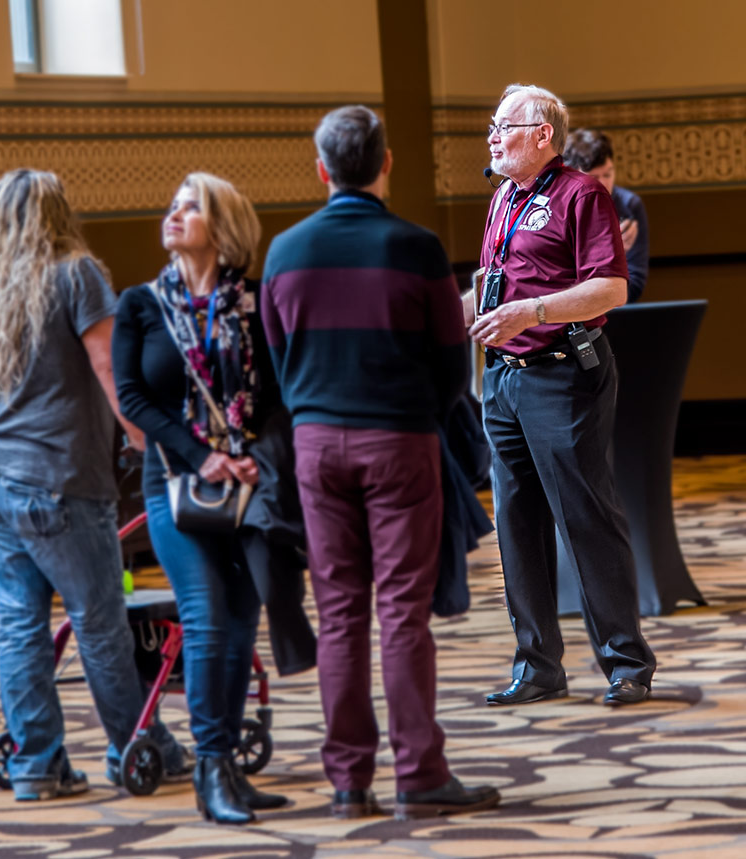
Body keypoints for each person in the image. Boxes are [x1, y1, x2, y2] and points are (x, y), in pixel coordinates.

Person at [260, 106, 500, 821]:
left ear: (321, 169)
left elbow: (278, 364)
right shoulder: (417, 247)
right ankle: (419, 773)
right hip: (400, 441)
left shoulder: (284, 252)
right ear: (387, 164)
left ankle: (347, 779)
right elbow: (455, 364)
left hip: (314, 445)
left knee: (339, 615)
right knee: (401, 614)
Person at [0, 169, 188, 802]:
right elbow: (109, 364)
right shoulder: (75, 272)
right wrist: (146, 444)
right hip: (58, 475)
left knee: (19, 624)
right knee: (100, 620)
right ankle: (138, 745)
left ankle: (36, 764)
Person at [465, 84, 656, 708]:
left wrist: (534, 310)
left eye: (502, 127)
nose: (491, 137)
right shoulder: (502, 199)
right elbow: (495, 286)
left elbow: (610, 289)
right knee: (515, 524)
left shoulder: (583, 195)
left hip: (562, 373)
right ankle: (538, 663)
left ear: (541, 133)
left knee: (585, 516)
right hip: (503, 377)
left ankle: (627, 663)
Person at [113, 172, 287, 825]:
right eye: (173, 205)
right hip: (177, 482)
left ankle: (230, 770)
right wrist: (202, 453)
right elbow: (133, 396)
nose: (174, 215)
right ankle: (211, 765)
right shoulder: (140, 304)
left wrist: (252, 453)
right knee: (208, 617)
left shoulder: (256, 301)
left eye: (191, 207)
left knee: (242, 623)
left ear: (223, 226)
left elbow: (277, 390)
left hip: (246, 483)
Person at [563, 129, 649, 303]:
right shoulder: (556, 207)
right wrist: (610, 254)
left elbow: (634, 286)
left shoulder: (629, 206)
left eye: (608, 174)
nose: (604, 185)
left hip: (615, 314)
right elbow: (554, 284)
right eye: (594, 178)